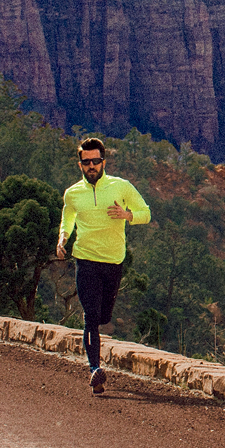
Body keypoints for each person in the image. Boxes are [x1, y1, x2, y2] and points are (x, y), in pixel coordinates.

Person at [55, 137, 151, 394]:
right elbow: (68, 219)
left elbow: (146, 213)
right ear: (80, 165)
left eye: (95, 161)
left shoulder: (121, 187)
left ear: (103, 162)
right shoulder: (73, 194)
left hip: (113, 262)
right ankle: (94, 369)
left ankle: (95, 363)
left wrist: (127, 215)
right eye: (86, 162)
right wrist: (63, 238)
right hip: (85, 259)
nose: (91, 166)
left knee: (104, 316)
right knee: (91, 317)